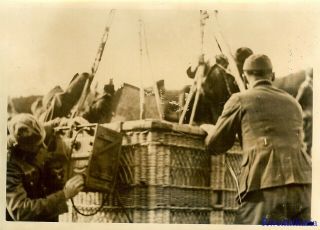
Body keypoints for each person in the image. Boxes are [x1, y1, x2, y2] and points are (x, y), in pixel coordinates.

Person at [201, 54, 312, 224]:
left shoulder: (239, 99)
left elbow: (216, 144)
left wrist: (210, 130)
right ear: (272, 76)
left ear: (245, 78)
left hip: (265, 185)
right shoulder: (293, 103)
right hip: (304, 186)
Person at [6, 113, 84, 221]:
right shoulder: (9, 166)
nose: (43, 146)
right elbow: (21, 211)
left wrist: (67, 122)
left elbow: (50, 126)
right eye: (37, 145)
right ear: (22, 146)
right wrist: (64, 195)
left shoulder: (30, 134)